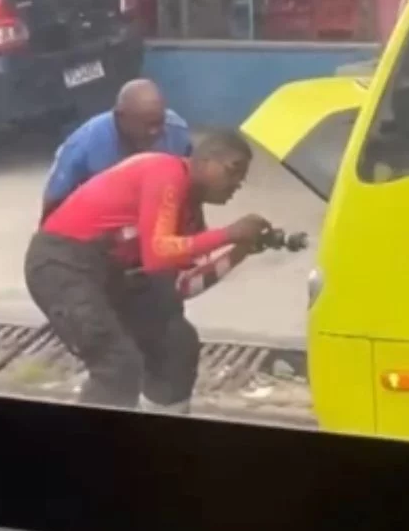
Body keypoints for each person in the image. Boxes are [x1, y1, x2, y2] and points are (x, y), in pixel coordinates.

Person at [26, 129, 272, 412]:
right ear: (203, 161)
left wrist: (238, 252)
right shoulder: (166, 172)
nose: (237, 183)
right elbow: (158, 254)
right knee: (117, 365)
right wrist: (229, 233)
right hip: (62, 264)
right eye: (233, 170)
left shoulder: (189, 215)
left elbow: (181, 286)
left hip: (112, 272)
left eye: (242, 176)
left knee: (176, 344)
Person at [42, 79, 193, 219]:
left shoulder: (176, 132)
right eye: (146, 125)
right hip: (101, 218)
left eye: (159, 123)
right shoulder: (84, 144)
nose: (154, 131)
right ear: (120, 117)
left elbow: (191, 188)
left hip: (156, 211)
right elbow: (54, 201)